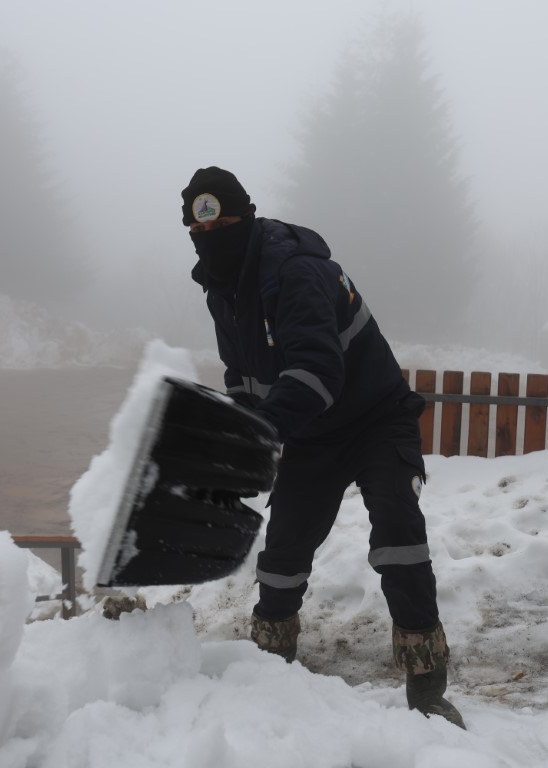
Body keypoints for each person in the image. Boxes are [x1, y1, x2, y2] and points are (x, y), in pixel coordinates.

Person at [181, 166, 464, 728]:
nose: (210, 239)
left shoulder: (296, 271)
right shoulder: (221, 286)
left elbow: (315, 371)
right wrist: (239, 433)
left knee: (397, 537)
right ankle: (269, 661)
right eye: (198, 231)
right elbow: (241, 371)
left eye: (223, 225)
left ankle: (426, 684)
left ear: (247, 217)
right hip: (311, 433)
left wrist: (261, 431)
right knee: (284, 550)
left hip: (374, 420)